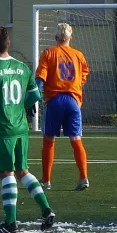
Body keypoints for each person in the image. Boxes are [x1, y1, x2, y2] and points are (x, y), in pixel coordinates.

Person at [0, 25, 55, 233]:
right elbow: (35, 95)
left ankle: (10, 222)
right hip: (20, 128)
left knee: (6, 173)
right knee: (23, 171)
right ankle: (47, 210)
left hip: (1, 129)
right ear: (8, 43)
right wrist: (19, 107)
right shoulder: (23, 67)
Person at [35, 23, 90, 191]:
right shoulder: (78, 55)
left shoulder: (49, 53)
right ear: (70, 38)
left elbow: (40, 78)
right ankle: (83, 177)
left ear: (56, 38)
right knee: (76, 140)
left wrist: (35, 94)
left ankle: (46, 180)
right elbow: (84, 75)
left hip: (55, 100)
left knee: (49, 140)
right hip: (73, 101)